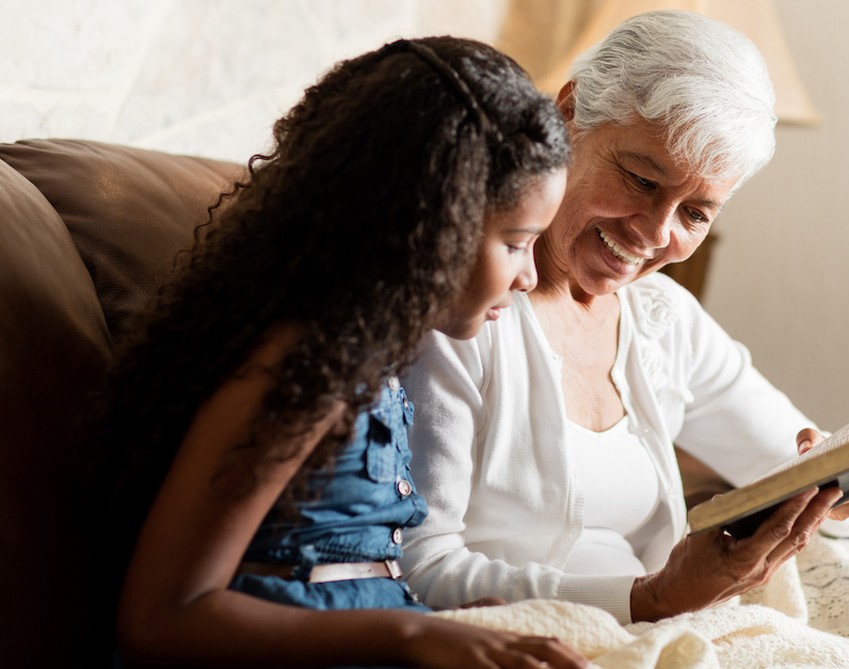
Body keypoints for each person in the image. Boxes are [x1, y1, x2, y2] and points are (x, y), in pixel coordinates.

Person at [97, 36, 587, 668]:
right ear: (431, 225)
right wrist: (412, 636)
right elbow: (164, 615)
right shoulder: (298, 366)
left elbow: (349, 573)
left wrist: (447, 624)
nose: (527, 277)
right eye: (518, 242)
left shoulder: (371, 363)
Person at [402, 11, 849, 625]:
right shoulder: (463, 308)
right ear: (570, 113)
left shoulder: (664, 320)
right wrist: (650, 600)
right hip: (512, 641)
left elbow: (802, 460)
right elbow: (417, 570)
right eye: (641, 178)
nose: (657, 234)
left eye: (697, 214)